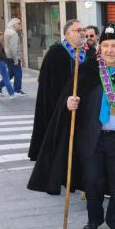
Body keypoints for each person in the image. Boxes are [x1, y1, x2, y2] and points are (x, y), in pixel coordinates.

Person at [27, 23, 115, 229]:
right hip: (91, 138)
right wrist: (68, 103)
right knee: (92, 183)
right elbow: (67, 97)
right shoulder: (87, 70)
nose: (110, 50)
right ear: (100, 47)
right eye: (106, 45)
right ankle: (93, 220)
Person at [28, 19, 86, 166]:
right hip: (59, 107)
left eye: (83, 30)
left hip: (82, 108)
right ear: (67, 34)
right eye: (78, 30)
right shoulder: (56, 53)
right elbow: (48, 86)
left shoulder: (87, 53)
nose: (82, 33)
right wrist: (62, 102)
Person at [0, 18, 25, 95]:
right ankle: (17, 90)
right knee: (18, 73)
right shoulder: (13, 34)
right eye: (19, 24)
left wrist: (20, 31)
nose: (20, 25)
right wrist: (16, 60)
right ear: (14, 24)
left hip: (8, 56)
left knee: (11, 74)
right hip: (13, 57)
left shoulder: (7, 31)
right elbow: (13, 48)